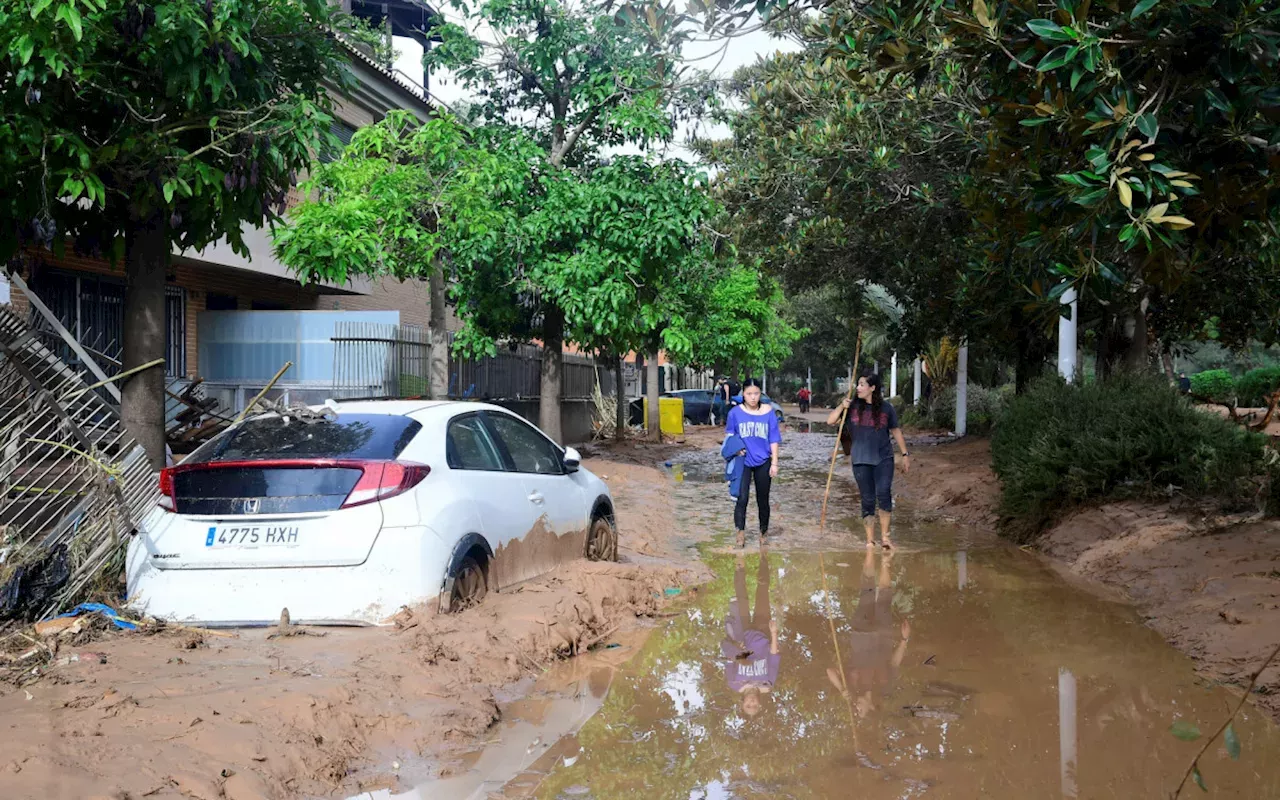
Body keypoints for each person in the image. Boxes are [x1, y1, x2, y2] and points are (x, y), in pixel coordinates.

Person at [828, 371, 910, 549]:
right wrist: (842, 407)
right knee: (867, 499)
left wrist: (905, 455)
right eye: (858, 384)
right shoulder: (852, 406)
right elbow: (830, 421)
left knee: (884, 494)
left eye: (862, 384)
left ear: (872, 388)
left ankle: (886, 538)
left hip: (883, 458)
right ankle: (870, 540)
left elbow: (896, 431)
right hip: (860, 460)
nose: (858, 388)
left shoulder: (887, 408)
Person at [827, 549, 909, 720]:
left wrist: (841, 688)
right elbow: (894, 663)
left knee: (867, 591)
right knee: (885, 597)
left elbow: (830, 671)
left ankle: (870, 550)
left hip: (861, 633)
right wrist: (904, 639)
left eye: (856, 712)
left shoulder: (851, 689)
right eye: (860, 711)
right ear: (871, 707)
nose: (856, 708)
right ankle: (885, 561)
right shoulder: (885, 688)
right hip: (883, 635)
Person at [723, 547, 780, 718]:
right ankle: (764, 555)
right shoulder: (768, 683)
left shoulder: (733, 682)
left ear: (742, 703)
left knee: (742, 596)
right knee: (762, 591)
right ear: (759, 704)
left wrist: (737, 653)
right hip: (763, 633)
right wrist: (774, 633)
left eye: (748, 706)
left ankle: (739, 559)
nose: (751, 703)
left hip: (741, 633)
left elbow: (726, 650)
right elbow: (774, 656)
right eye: (754, 706)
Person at [725, 379, 781, 548]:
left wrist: (775, 463)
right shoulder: (734, 413)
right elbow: (729, 437)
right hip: (743, 462)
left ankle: (763, 533)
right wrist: (735, 449)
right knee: (741, 499)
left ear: (760, 394)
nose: (753, 397)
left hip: (763, 461)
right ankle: (740, 534)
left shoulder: (769, 412)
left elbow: (774, 439)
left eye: (756, 393)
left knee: (763, 500)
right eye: (749, 394)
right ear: (743, 394)